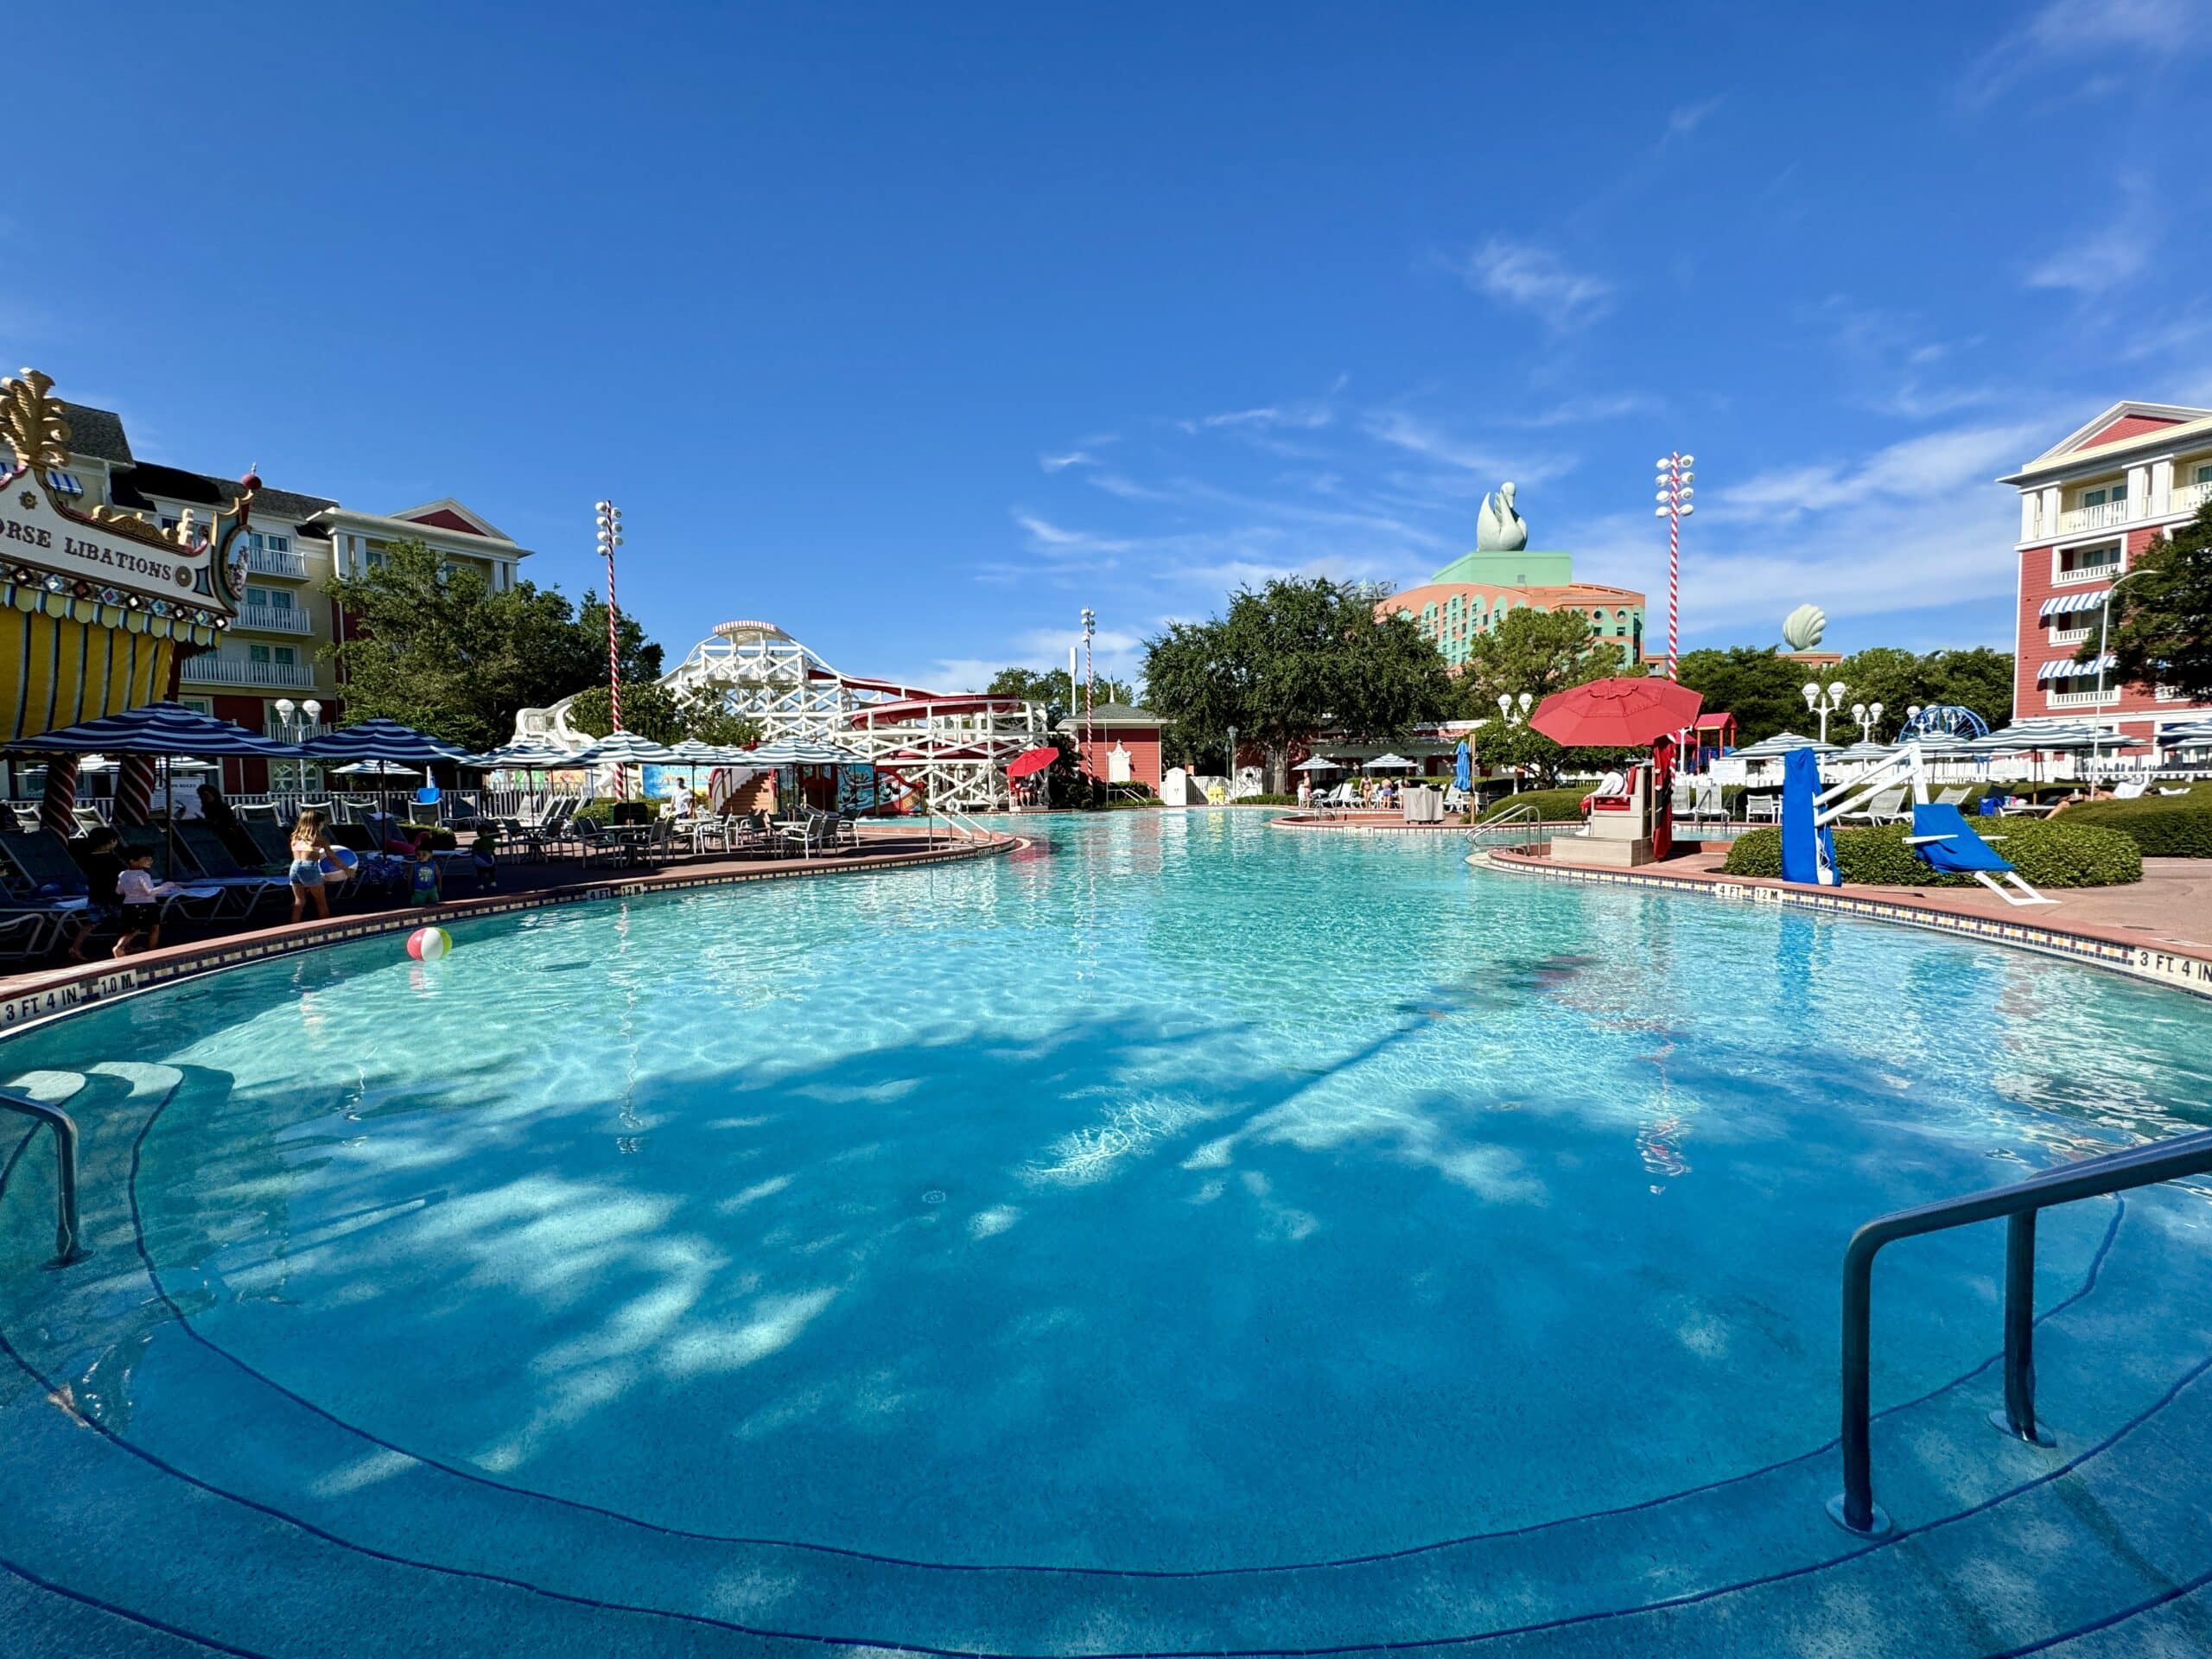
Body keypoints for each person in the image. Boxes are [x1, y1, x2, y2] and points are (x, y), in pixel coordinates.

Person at [62, 828, 126, 962]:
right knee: (126, 921)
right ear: (111, 842)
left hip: (96, 895)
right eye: (115, 841)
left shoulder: (88, 858)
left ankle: (75, 947)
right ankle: (124, 945)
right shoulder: (113, 859)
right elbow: (123, 874)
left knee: (91, 923)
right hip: (114, 896)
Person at [114, 848, 183, 957]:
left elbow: (119, 891)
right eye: (146, 858)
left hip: (128, 905)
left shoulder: (123, 874)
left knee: (132, 929)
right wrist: (168, 885)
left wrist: (132, 891)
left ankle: (121, 946)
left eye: (151, 858)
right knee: (154, 927)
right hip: (146, 905)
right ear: (132, 860)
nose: (150, 861)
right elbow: (150, 892)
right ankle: (151, 952)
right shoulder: (143, 875)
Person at [289, 809, 334, 924]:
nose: (324, 825)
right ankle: (327, 927)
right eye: (323, 822)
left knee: (299, 901)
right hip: (308, 867)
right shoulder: (320, 839)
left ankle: (293, 927)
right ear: (317, 824)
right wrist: (346, 869)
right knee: (321, 901)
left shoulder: (295, 838)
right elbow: (333, 857)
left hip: (294, 867)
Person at [410, 842, 442, 907]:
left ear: (430, 855)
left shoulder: (433, 864)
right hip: (419, 890)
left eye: (424, 855)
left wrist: (439, 885)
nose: (421, 857)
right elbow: (410, 877)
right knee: (418, 904)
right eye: (418, 855)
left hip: (431, 889)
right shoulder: (415, 865)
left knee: (435, 901)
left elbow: (438, 875)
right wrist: (409, 887)